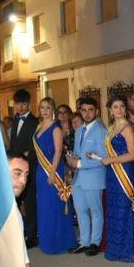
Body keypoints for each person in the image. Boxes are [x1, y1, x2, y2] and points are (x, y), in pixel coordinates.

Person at [102, 94, 134, 262]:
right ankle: (115, 246)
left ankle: (128, 246)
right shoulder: (110, 128)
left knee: (124, 208)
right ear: (110, 110)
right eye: (116, 107)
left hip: (125, 172)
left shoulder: (128, 128)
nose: (119, 110)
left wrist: (110, 160)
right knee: (114, 208)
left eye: (122, 106)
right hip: (112, 173)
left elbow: (133, 154)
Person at [31, 97, 76, 254]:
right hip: (40, 170)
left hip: (53, 169)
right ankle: (46, 239)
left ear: (52, 110)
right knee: (44, 206)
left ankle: (58, 241)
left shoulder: (56, 128)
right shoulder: (39, 126)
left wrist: (52, 172)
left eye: (48, 108)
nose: (44, 110)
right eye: (42, 107)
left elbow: (58, 151)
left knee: (54, 205)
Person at [67, 97, 107, 256]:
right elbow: (77, 153)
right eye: (84, 110)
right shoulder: (78, 130)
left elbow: (102, 158)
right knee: (81, 210)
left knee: (95, 211)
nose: (87, 113)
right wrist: (71, 161)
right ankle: (84, 242)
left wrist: (80, 164)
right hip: (78, 178)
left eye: (91, 110)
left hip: (94, 177)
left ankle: (95, 242)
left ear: (96, 111)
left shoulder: (101, 131)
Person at [7, 153, 38, 267]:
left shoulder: (15, 215)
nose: (23, 180)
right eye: (17, 173)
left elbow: (24, 265)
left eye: (26, 175)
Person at [10, 89, 39, 247]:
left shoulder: (35, 122)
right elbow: (13, 143)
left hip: (30, 168)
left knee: (29, 203)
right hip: (16, 168)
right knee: (16, 201)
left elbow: (36, 146)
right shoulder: (15, 120)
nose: (20, 107)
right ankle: (21, 232)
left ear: (29, 104)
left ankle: (32, 236)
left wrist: (26, 157)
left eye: (23, 104)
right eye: (18, 104)